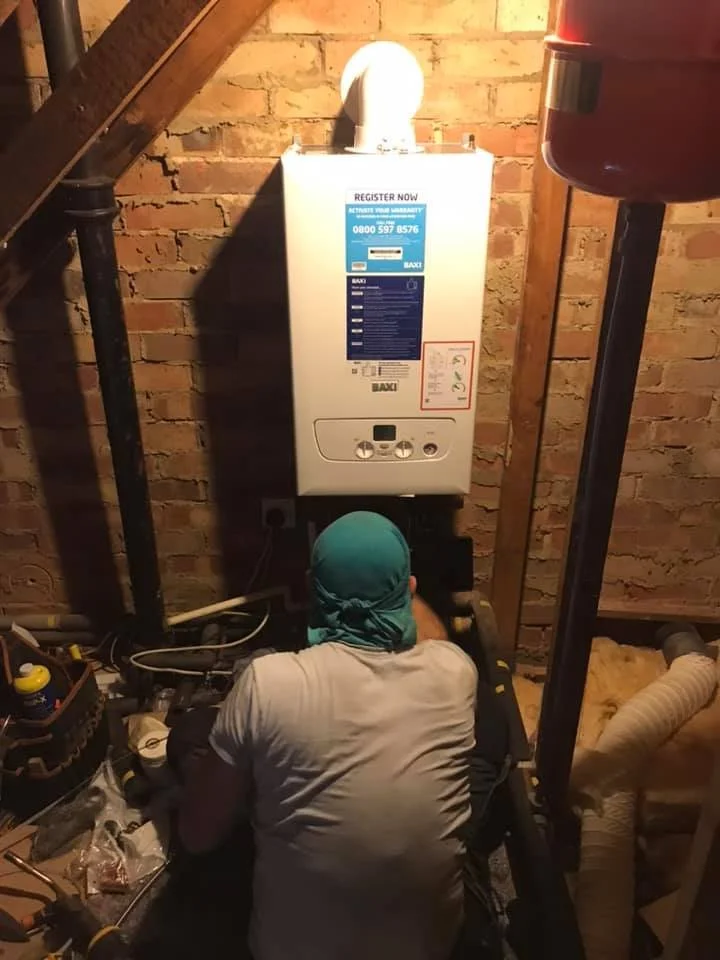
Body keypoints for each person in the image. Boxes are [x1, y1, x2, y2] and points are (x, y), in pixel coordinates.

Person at [178, 511, 487, 960]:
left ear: (309, 588)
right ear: (410, 591)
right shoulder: (455, 673)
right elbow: (433, 635)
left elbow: (197, 837)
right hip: (429, 949)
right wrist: (399, 595)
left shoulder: (268, 683)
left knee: (191, 734)